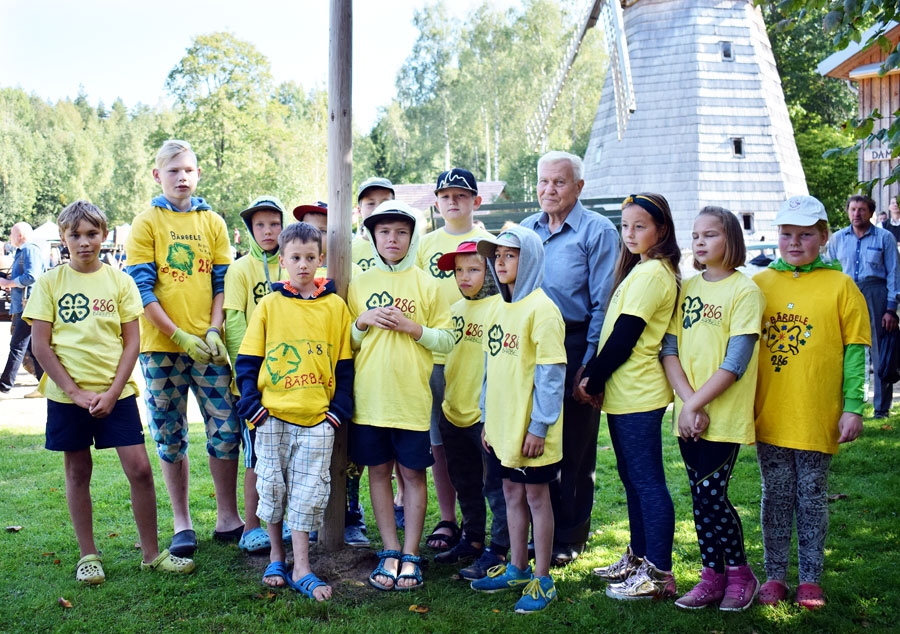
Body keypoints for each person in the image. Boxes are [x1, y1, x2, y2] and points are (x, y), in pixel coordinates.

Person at [26, 201, 195, 583]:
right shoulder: (50, 283)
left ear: (104, 235)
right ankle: (89, 554)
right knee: (77, 470)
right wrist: (75, 391)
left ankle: (151, 554)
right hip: (68, 398)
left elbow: (131, 342)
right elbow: (41, 346)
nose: (84, 242)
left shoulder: (120, 282)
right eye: (75, 235)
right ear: (64, 238)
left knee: (139, 469)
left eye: (91, 234)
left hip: (116, 396)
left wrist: (113, 389)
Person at [125, 139, 243, 558]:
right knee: (169, 433)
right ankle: (182, 522)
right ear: (158, 175)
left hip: (208, 349)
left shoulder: (213, 222)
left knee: (227, 429)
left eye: (188, 170)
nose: (182, 177)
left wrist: (213, 330)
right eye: (173, 171)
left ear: (197, 174)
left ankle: (228, 518)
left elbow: (222, 282)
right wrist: (178, 336)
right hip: (161, 349)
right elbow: (141, 288)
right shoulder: (146, 223)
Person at [753, 195, 869, 610]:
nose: (794, 243)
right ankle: (774, 574)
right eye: (787, 234)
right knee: (776, 495)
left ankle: (810, 578)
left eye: (805, 235)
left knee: (813, 494)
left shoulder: (841, 286)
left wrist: (853, 405)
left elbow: (856, 349)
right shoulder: (761, 284)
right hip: (771, 412)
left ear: (824, 236)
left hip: (818, 413)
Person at [234, 221, 354, 601]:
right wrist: (253, 406)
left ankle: (302, 566)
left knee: (307, 493)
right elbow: (248, 361)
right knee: (272, 488)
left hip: (317, 420)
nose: (303, 265)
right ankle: (275, 556)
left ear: (321, 260)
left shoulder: (335, 307)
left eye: (310, 258)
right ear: (282, 260)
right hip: (272, 417)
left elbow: (344, 367)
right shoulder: (269, 305)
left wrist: (337, 412)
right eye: (295, 258)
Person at [576, 193, 680, 600]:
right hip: (625, 395)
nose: (630, 234)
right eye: (626, 226)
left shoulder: (654, 273)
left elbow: (624, 338)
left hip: (639, 395)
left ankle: (659, 575)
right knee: (634, 481)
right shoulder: (641, 269)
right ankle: (638, 559)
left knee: (648, 483)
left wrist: (592, 379)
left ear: (661, 230)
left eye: (640, 226)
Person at [660, 206, 765, 611]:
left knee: (711, 495)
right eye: (696, 235)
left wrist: (698, 404)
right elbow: (668, 349)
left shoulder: (745, 291)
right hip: (690, 414)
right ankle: (711, 575)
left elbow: (735, 363)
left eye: (710, 235)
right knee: (699, 497)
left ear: (731, 240)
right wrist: (688, 405)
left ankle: (740, 574)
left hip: (723, 415)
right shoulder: (687, 289)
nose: (700, 242)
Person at [348, 200, 454, 591]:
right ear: (373, 236)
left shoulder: (427, 284)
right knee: (378, 472)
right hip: (371, 399)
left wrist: (414, 328)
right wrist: (361, 323)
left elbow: (447, 338)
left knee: (411, 474)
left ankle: (411, 554)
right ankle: (389, 550)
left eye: (401, 232)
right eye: (384, 232)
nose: (392, 239)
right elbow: (347, 343)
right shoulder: (359, 285)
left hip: (410, 399)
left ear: (412, 237)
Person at [520, 151, 619, 565]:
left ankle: (569, 537)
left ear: (579, 187)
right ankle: (535, 532)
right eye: (543, 181)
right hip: (529, 346)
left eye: (559, 182)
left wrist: (590, 365)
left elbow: (603, 302)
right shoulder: (525, 230)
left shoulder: (598, 232)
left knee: (575, 445)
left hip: (575, 342)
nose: (548, 190)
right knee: (532, 438)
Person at [470, 227, 565, 614]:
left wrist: (539, 426)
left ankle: (543, 578)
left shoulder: (543, 310)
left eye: (511, 255)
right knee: (510, 493)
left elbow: (551, 374)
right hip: (502, 427)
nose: (501, 262)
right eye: (497, 256)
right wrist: (487, 418)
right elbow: (491, 367)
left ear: (531, 259)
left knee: (536, 497)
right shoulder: (497, 307)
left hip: (531, 432)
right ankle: (517, 566)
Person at [416, 168, 493, 553]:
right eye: (445, 195)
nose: (453, 201)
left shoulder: (490, 243)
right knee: (440, 443)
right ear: (436, 202)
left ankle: (479, 522)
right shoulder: (425, 244)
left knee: (481, 440)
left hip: (478, 357)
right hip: (435, 354)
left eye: (461, 195)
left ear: (476, 201)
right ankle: (449, 518)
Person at [291, 200, 367, 547]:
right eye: (314, 228)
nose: (320, 235)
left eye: (326, 230)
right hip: (298, 385)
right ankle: (304, 523)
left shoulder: (350, 272)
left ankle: (350, 513)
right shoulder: (289, 285)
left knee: (349, 453)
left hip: (344, 372)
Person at [432, 239, 509, 579]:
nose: (464, 277)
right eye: (458, 270)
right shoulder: (455, 310)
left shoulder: (500, 309)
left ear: (490, 271)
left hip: (485, 416)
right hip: (453, 411)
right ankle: (473, 539)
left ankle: (500, 548)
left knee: (496, 486)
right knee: (464, 481)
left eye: (474, 269)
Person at [223, 195, 287, 555]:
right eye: (259, 225)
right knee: (256, 457)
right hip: (253, 384)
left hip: (291, 381)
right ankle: (251, 526)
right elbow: (234, 323)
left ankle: (291, 521)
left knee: (289, 454)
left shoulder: (293, 263)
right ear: (249, 229)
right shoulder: (241, 270)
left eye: (274, 224)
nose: (267, 231)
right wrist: (246, 377)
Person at [826, 194, 899, 419]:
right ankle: (842, 406)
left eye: (862, 210)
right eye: (853, 209)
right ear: (847, 212)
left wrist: (890, 309)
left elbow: (894, 274)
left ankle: (881, 409)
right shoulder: (838, 238)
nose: (857, 214)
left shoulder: (884, 237)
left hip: (875, 293)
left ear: (871, 212)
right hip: (845, 294)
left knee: (880, 351)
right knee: (841, 349)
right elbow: (828, 271)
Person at [0, 222, 45, 397]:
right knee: (33, 348)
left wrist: (8, 283)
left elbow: (32, 275)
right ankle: (45, 386)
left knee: (17, 346)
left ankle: (4, 386)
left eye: (11, 234)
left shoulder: (29, 250)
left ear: (20, 235)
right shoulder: (25, 251)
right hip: (27, 305)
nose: (10, 238)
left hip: (29, 306)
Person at [352, 177, 395, 271]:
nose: (378, 208)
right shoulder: (348, 251)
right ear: (359, 210)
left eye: (385, 202)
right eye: (371, 203)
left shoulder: (408, 248)